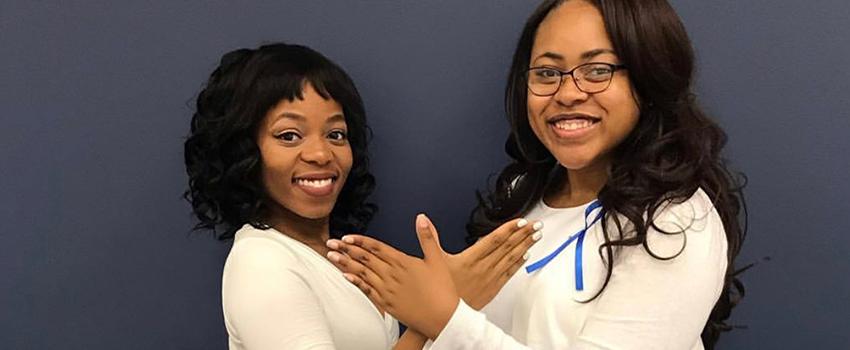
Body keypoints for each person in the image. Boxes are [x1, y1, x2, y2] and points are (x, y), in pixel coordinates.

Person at [327, 1, 746, 349]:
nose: (567, 93)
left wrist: (446, 316)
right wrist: (445, 302)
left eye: (597, 70)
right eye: (547, 73)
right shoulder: (521, 197)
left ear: (648, 76)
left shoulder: (674, 220)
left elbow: (460, 331)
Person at [184, 43, 542, 350]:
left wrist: (446, 306)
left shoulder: (334, 258)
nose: (321, 154)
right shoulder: (262, 261)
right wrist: (440, 313)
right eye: (290, 135)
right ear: (245, 152)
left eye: (336, 134)